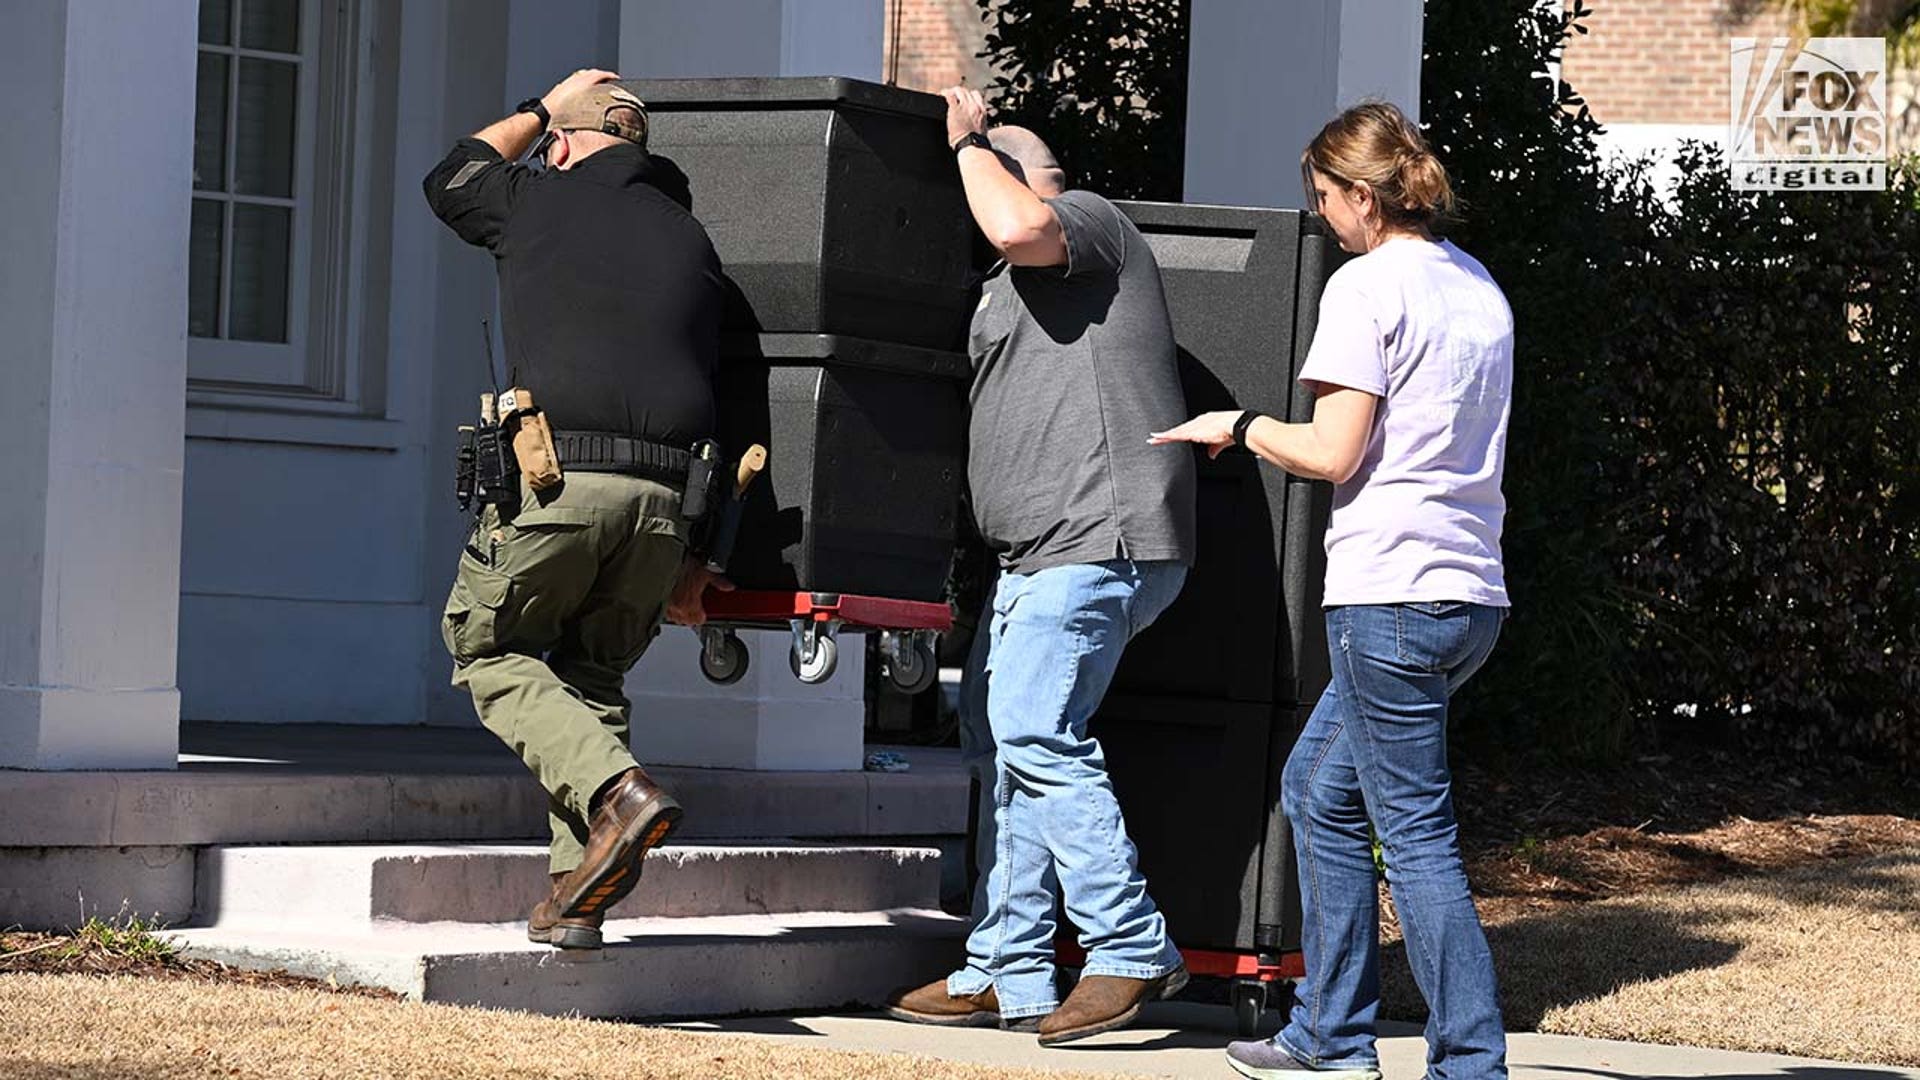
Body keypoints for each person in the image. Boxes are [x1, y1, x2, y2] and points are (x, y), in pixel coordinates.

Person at [1151, 101, 1515, 1080]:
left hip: (1390, 596)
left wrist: (1239, 426)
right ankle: (1328, 1035)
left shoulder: (1367, 291)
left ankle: (1471, 1064)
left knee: (1419, 838)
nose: (1321, 217)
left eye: (1324, 198)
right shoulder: (1478, 289)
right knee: (1318, 791)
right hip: (1469, 595)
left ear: (1362, 194)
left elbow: (1332, 451)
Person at [884, 87, 1198, 1046]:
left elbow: (1020, 222)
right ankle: (1007, 967)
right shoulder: (1010, 282)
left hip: (1096, 541)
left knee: (1034, 732)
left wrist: (968, 139)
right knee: (1010, 755)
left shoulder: (1090, 224)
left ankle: (1128, 943)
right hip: (1033, 560)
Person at [424, 68, 729, 952]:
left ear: (563, 144)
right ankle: (575, 895)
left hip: (558, 484)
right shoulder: (694, 240)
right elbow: (730, 392)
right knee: (592, 678)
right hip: (667, 507)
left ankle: (619, 794)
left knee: (487, 646)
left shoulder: (535, 200)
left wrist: (533, 107)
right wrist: (706, 554)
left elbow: (451, 178)